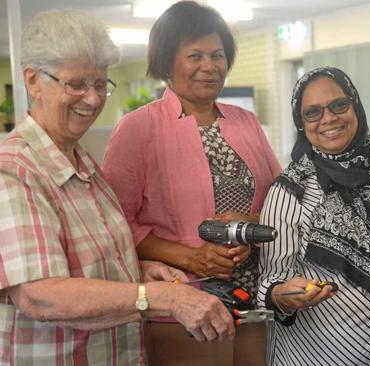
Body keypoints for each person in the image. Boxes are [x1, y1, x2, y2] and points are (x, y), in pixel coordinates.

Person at [0, 9, 235, 365]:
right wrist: (157, 297)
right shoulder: (14, 171)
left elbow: (85, 263)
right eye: (76, 84)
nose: (93, 99)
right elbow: (40, 294)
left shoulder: (84, 165)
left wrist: (136, 272)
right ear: (33, 80)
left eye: (100, 85)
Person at [102, 1, 281, 365]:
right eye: (194, 55)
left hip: (255, 303)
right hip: (182, 306)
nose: (209, 66)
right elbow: (115, 224)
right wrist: (193, 257)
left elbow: (281, 200)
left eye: (217, 55)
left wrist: (251, 225)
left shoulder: (245, 122)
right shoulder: (138, 128)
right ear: (167, 62)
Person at [257, 66, 370, 365]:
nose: (328, 119)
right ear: (301, 124)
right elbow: (268, 283)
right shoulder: (291, 190)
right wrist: (282, 295)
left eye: (339, 105)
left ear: (355, 107)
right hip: (318, 356)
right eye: (313, 113)